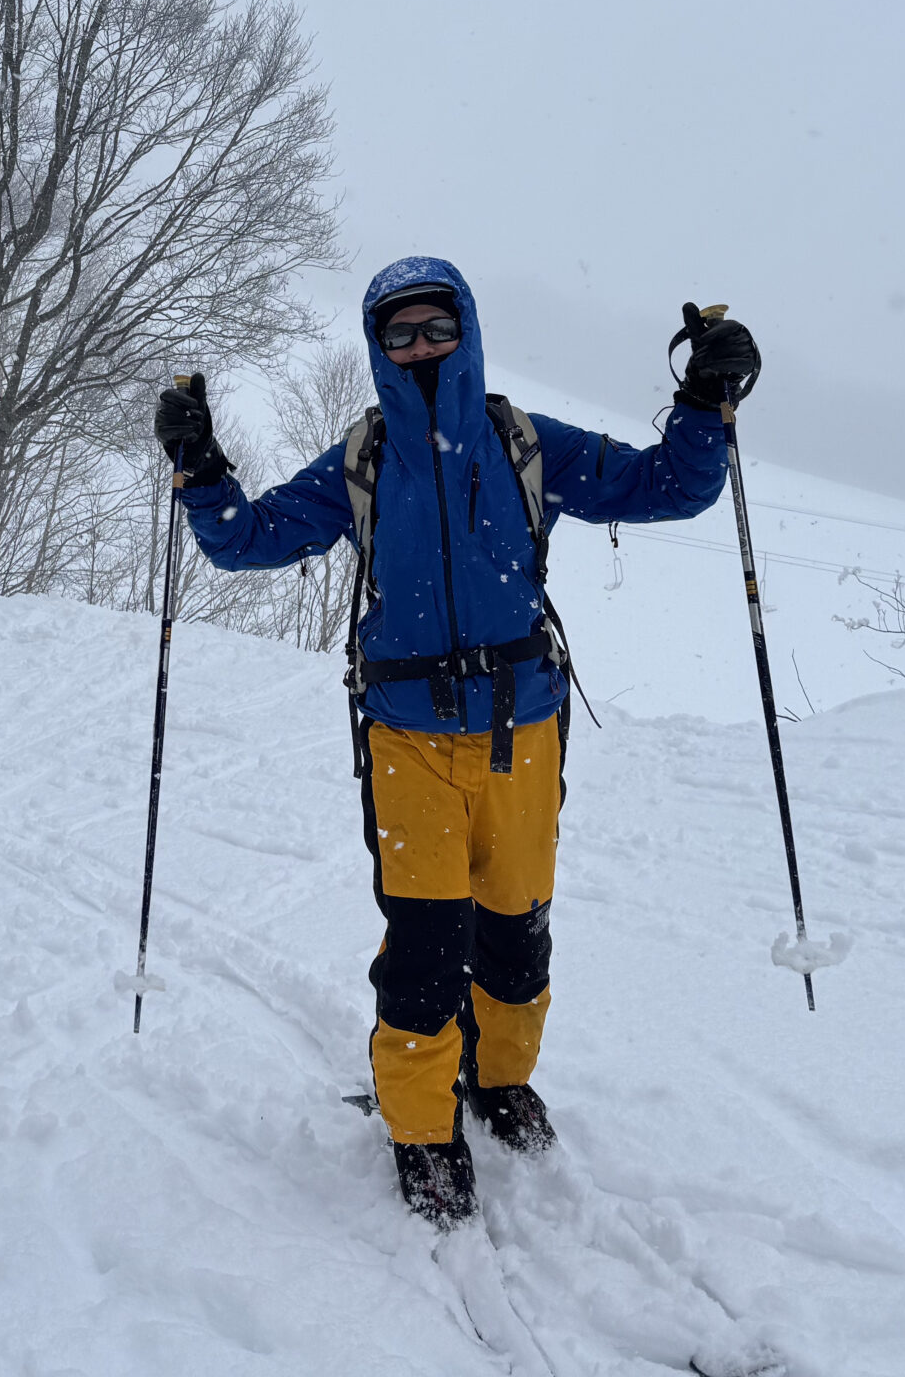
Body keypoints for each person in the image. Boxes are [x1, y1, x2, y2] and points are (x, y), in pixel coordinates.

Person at [152, 256, 756, 1227]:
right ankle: (422, 1129)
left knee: (516, 931)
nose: (420, 347)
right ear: (377, 346)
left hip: (523, 733)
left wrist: (702, 400)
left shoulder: (522, 442)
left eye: (436, 327)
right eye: (400, 334)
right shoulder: (362, 460)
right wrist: (201, 471)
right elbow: (247, 539)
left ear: (466, 330)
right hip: (407, 741)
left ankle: (500, 1080)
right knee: (426, 948)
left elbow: (668, 487)